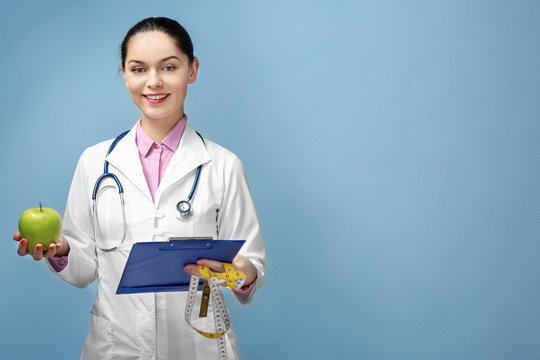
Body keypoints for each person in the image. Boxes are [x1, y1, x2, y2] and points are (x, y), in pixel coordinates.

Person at [13, 17, 265, 360]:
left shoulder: (223, 166)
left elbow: (250, 268)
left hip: (198, 347)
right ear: (124, 75)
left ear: (192, 71)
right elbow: (84, 267)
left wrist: (235, 272)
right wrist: (62, 250)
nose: (154, 82)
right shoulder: (95, 162)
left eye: (169, 67)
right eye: (138, 69)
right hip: (116, 348)